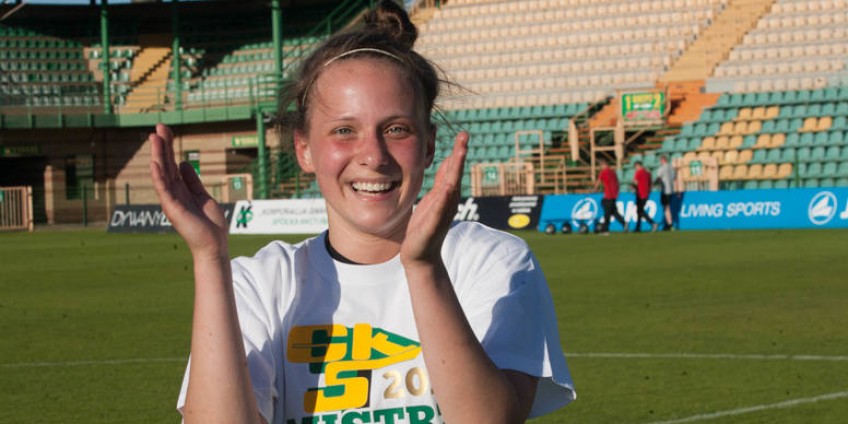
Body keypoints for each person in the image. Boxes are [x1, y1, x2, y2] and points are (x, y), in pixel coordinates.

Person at [148, 2, 574, 424]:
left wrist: (423, 268)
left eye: (396, 129)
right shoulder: (260, 283)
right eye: (344, 131)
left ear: (428, 146)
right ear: (304, 149)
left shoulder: (491, 261)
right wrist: (209, 259)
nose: (373, 155)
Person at [592, 157, 628, 233]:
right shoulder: (613, 172)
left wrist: (594, 190)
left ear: (603, 164)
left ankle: (605, 229)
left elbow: (598, 182)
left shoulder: (604, 172)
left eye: (601, 165)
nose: (601, 167)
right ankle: (624, 223)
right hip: (613, 196)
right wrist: (616, 193)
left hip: (608, 196)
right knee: (614, 212)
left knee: (607, 213)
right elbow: (617, 183)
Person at [632, 161, 658, 233]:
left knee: (640, 211)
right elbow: (651, 184)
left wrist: (633, 187)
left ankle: (653, 223)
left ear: (638, 166)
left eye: (636, 167)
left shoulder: (638, 172)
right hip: (646, 194)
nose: (635, 168)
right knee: (639, 211)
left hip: (640, 194)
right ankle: (638, 227)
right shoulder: (647, 173)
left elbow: (635, 182)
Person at [654, 154, 676, 231]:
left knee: (666, 208)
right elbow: (674, 178)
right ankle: (668, 224)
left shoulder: (662, 168)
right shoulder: (671, 168)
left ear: (662, 160)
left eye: (660, 160)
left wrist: (653, 184)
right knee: (667, 207)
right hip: (671, 190)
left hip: (665, 190)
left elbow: (658, 178)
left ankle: (669, 224)